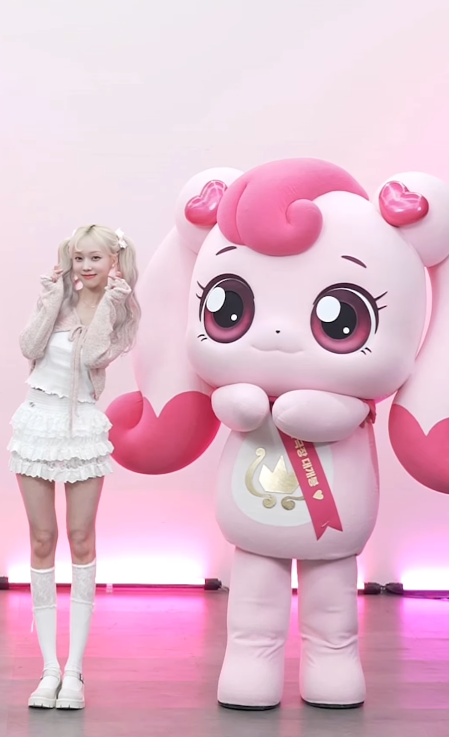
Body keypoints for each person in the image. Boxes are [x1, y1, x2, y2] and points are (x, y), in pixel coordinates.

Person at [8, 225, 140, 709]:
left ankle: (74, 672)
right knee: (42, 539)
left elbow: (93, 355)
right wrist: (50, 297)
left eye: (95, 258)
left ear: (114, 262)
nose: (85, 266)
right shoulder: (57, 299)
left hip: (82, 424)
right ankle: (48, 670)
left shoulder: (120, 310)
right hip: (37, 421)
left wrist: (109, 301)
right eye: (79, 257)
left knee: (81, 538)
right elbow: (29, 347)